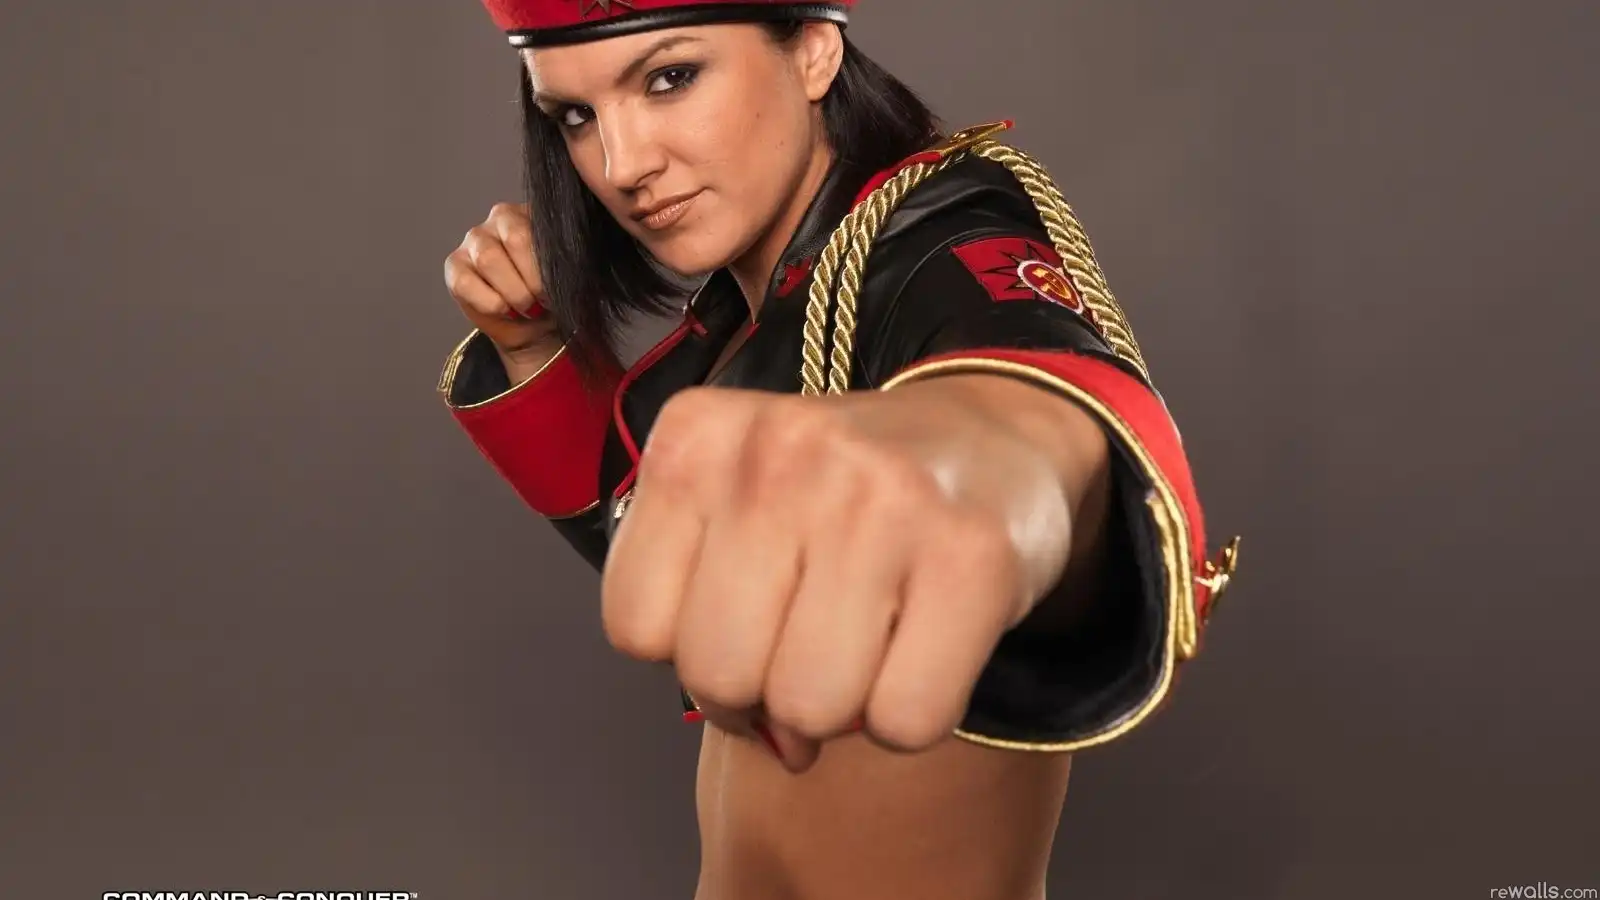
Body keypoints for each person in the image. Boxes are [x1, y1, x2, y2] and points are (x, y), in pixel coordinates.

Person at [436, 1, 1240, 897]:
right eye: (577, 116)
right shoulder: (751, 313)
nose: (622, 166)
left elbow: (1034, 404)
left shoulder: (936, 232)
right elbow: (679, 569)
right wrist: (533, 352)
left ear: (815, 51)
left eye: (670, 78)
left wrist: (990, 464)